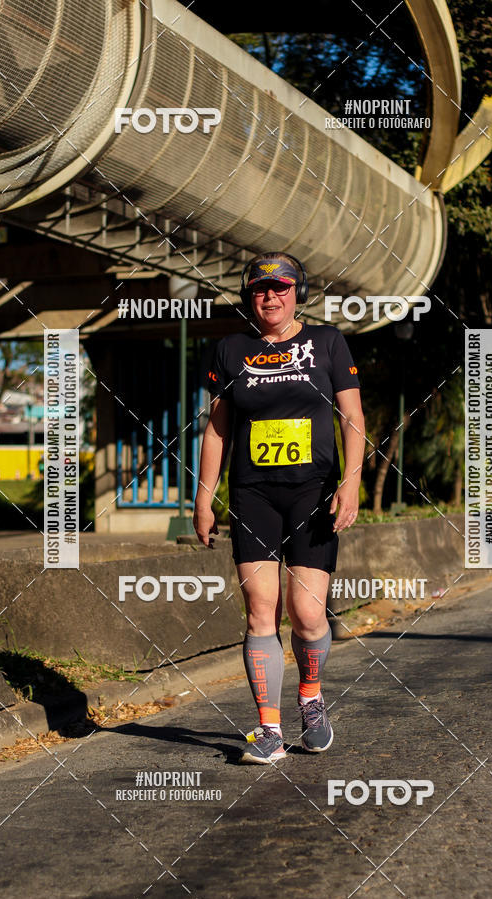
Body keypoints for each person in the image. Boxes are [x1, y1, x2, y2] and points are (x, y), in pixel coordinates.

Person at [193, 252, 365, 764]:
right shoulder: (230, 349)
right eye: (260, 289)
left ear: (298, 293)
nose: (270, 296)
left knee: (308, 611)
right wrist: (205, 499)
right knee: (259, 611)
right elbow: (218, 429)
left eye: (281, 288)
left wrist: (350, 485)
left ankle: (310, 698)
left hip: (312, 490)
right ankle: (268, 729)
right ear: (250, 296)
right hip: (254, 494)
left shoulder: (328, 343)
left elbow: (352, 416)